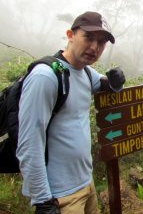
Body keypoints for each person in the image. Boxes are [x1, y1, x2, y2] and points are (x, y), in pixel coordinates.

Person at [16, 11, 125, 214]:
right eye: (88, 37)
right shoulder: (46, 76)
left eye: (101, 42)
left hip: (86, 183)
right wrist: (43, 201)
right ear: (70, 35)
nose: (95, 47)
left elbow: (106, 85)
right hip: (61, 196)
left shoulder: (84, 72)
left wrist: (116, 82)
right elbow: (29, 143)